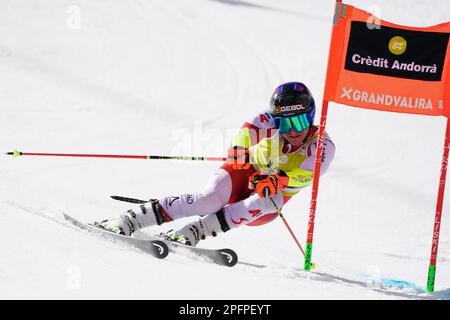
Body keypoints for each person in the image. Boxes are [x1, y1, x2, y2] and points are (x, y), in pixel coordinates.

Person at [95, 82, 335, 246]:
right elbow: (247, 132)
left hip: (270, 194)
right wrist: (239, 150)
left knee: (269, 201)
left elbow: (307, 174)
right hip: (247, 172)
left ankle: (195, 231)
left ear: (311, 116)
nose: (292, 130)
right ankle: (129, 219)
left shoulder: (322, 146)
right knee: (208, 199)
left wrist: (277, 179)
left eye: (300, 121)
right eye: (285, 124)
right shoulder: (269, 119)